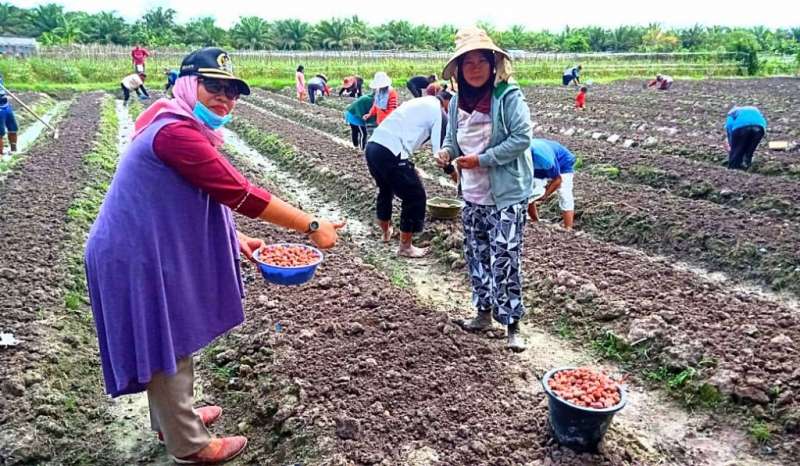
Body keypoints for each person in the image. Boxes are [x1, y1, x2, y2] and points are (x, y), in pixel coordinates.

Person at [84, 47, 344, 464]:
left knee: (168, 337)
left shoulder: (173, 121)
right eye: (214, 87)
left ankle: (174, 417)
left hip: (146, 246)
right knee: (165, 339)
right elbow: (238, 192)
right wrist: (311, 225)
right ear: (188, 85)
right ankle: (189, 443)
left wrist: (235, 236)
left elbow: (192, 196)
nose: (224, 98)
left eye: (232, 91)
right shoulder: (175, 133)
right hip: (137, 255)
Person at [435, 27, 533, 352]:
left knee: (505, 257)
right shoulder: (457, 101)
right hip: (472, 194)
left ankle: (513, 325)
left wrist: (483, 160)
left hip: (505, 194)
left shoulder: (507, 96)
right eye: (467, 62)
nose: (474, 67)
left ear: (493, 65)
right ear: (459, 70)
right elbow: (452, 139)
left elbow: (521, 138)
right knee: (477, 254)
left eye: (481, 60)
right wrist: (446, 153)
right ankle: (483, 313)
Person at [366, 89, 453, 257]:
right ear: (447, 102)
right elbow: (439, 154)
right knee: (415, 196)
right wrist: (452, 172)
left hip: (373, 146)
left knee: (385, 190)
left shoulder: (420, 102)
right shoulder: (439, 112)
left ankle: (386, 233)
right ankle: (405, 247)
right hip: (392, 149)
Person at [528, 139, 576, 229]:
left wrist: (546, 194)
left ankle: (568, 228)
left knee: (564, 193)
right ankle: (535, 220)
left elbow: (558, 180)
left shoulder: (544, 158)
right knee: (531, 191)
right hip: (538, 164)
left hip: (562, 162)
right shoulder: (518, 155)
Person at [725, 106, 767, 170]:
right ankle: (746, 166)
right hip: (759, 127)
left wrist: (731, 144)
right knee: (749, 151)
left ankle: (733, 169)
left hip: (741, 127)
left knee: (736, 150)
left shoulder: (732, 113)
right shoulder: (754, 110)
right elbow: (763, 121)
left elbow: (729, 125)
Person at [0, 74, 18, 154]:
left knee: (13, 128)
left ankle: (13, 150)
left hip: (6, 105)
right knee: (0, 132)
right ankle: (1, 155)